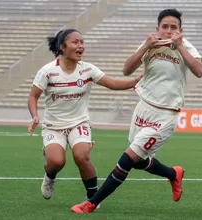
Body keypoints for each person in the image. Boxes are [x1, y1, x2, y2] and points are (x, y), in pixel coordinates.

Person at [71, 8, 202, 214]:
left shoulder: (185, 46)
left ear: (180, 30)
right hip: (143, 108)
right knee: (140, 160)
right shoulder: (149, 45)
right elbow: (126, 70)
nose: (169, 31)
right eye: (165, 27)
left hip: (165, 114)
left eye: (173, 27)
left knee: (129, 158)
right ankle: (173, 173)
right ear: (157, 28)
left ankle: (92, 203)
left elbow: (199, 71)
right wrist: (146, 47)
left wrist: (179, 47)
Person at [28, 28, 142, 203]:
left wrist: (134, 82)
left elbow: (112, 83)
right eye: (75, 42)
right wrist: (35, 116)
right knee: (56, 162)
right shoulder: (47, 71)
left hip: (79, 123)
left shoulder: (87, 69)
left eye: (82, 42)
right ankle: (49, 177)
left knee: (82, 156)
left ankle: (92, 199)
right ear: (62, 47)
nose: (81, 46)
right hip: (53, 126)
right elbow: (33, 96)